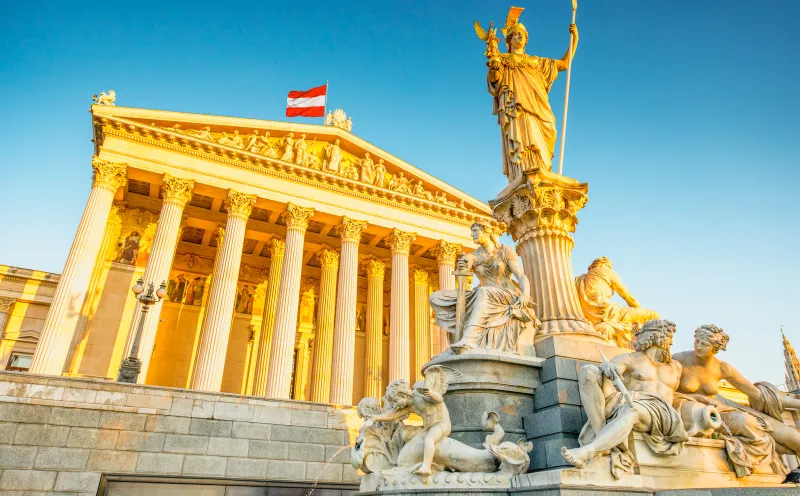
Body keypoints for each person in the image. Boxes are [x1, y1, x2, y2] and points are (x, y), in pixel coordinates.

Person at [561, 320, 688, 479]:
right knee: (588, 371)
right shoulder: (630, 358)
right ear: (655, 335)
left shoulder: (675, 366)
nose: (670, 340)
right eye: (668, 335)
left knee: (632, 410)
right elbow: (614, 368)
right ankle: (603, 440)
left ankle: (589, 451)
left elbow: (685, 393)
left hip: (660, 412)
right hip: (629, 402)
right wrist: (608, 367)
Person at [673, 325, 800, 476]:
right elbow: (666, 391)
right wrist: (697, 398)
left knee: (792, 437)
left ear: (715, 348)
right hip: (695, 409)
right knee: (749, 424)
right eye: (696, 341)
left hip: (723, 406)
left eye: (704, 344)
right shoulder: (678, 360)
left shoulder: (722, 368)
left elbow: (758, 395)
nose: (698, 347)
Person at [486, 8, 579, 199]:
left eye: (522, 35)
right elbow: (494, 82)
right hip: (517, 111)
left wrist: (575, 39)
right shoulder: (503, 61)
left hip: (540, 110)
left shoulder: (537, 62)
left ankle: (542, 175)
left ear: (526, 40)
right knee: (522, 146)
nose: (519, 37)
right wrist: (494, 66)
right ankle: (522, 177)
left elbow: (565, 64)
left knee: (543, 147)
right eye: (515, 34)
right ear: (508, 40)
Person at [429, 220, 537, 353]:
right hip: (482, 294)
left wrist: (525, 293)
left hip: (505, 294)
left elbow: (520, 275)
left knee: (483, 292)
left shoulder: (505, 251)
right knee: (436, 297)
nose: (472, 235)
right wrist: (462, 266)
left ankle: (469, 339)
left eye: (475, 231)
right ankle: (461, 335)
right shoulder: (474, 255)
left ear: (487, 232)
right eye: (472, 232)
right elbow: (465, 269)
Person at [575, 257, 660, 347]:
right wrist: (638, 311)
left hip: (591, 318)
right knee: (653, 315)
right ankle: (657, 350)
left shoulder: (580, 279)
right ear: (605, 264)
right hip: (609, 313)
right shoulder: (606, 271)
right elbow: (628, 297)